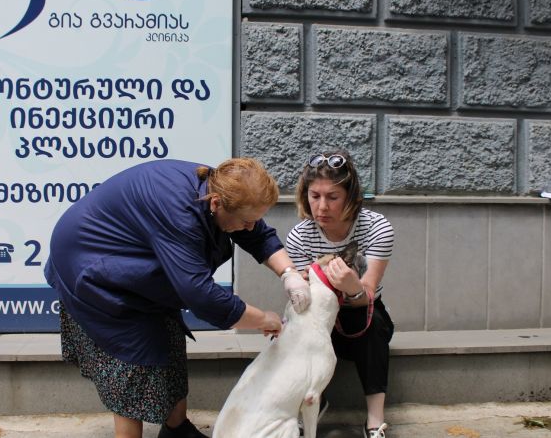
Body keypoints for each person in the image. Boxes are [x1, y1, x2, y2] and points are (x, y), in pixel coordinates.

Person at [44, 158, 311, 438]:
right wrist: (262, 319)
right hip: (91, 265)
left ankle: (176, 429)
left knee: (168, 339)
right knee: (129, 364)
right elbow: (201, 295)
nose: (249, 227)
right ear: (216, 204)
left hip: (132, 261)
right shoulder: (180, 213)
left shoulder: (225, 186)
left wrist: (289, 274)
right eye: (245, 221)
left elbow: (257, 235)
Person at [285, 149, 395, 438]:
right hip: (317, 312)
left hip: (362, 310)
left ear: (350, 197)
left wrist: (352, 288)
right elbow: (301, 297)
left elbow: (368, 295)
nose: (321, 207)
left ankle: (375, 421)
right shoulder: (299, 235)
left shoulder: (377, 227)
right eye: (314, 196)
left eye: (332, 197)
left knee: (374, 326)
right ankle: (304, 407)